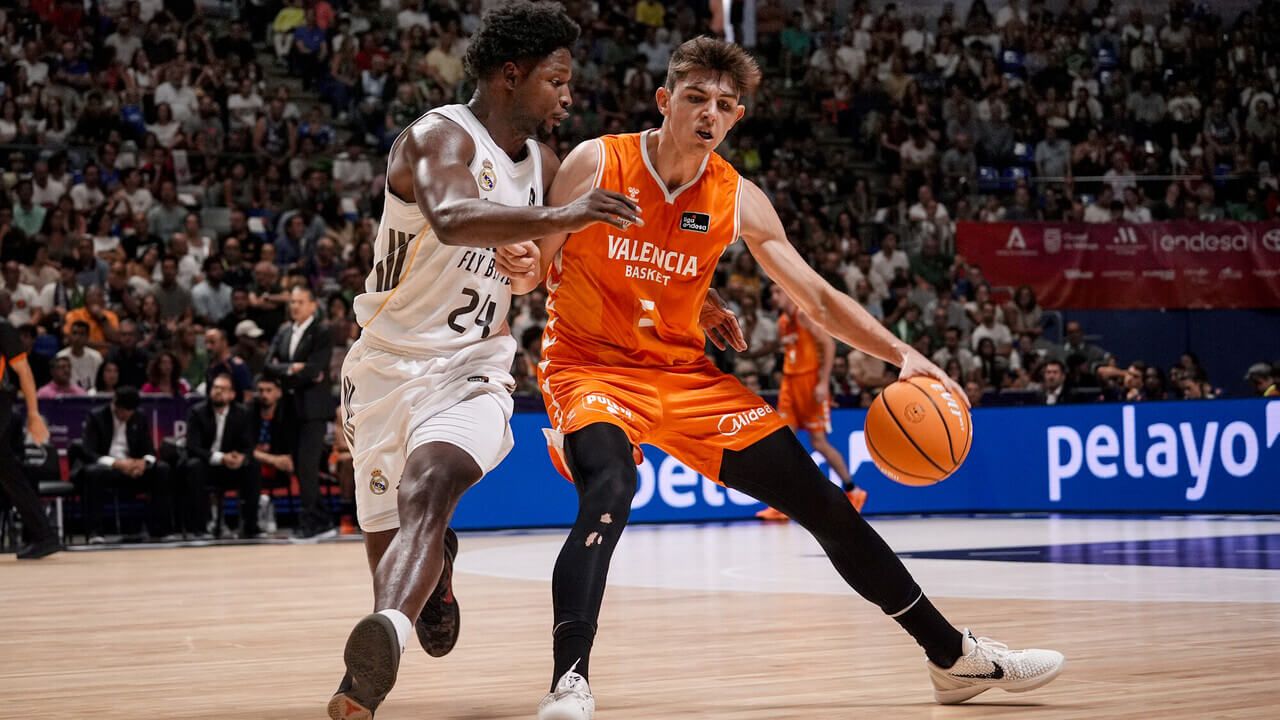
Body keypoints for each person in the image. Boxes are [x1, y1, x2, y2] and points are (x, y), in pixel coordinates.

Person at [515, 38, 1064, 719]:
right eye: (694, 98)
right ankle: (570, 679)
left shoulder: (737, 198)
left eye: (723, 104)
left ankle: (952, 657)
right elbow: (537, 263)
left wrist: (901, 354)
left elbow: (817, 298)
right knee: (612, 486)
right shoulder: (597, 160)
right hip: (589, 365)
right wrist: (516, 260)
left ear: (736, 117)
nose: (708, 114)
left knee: (826, 505)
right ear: (664, 102)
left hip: (685, 377)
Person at [327, 4, 703, 717]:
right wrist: (558, 219)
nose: (568, 95)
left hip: (474, 367)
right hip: (383, 369)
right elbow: (452, 216)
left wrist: (685, 299)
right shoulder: (440, 137)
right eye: (556, 80)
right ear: (511, 74)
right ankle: (431, 584)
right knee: (397, 534)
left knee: (430, 486)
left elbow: (577, 265)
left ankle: (374, 665)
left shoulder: (545, 166)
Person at [756, 283, 866, 521]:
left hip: (810, 383)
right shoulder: (783, 322)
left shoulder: (803, 314)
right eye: (772, 292)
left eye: (777, 291)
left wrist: (823, 383)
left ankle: (853, 490)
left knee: (818, 442)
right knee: (782, 443)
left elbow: (828, 345)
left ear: (788, 291)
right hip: (789, 384)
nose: (774, 296)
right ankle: (782, 504)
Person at [266, 285, 335, 540]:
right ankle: (322, 518)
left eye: (300, 301)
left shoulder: (322, 331)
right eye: (292, 302)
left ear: (312, 305)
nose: (294, 306)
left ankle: (311, 522)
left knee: (307, 466)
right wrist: (292, 369)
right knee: (298, 466)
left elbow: (316, 368)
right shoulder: (284, 331)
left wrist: (291, 371)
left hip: (314, 409)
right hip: (290, 407)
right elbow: (267, 365)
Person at [74, 386, 174, 543]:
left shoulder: (139, 418)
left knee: (162, 469)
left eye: (130, 411)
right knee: (92, 473)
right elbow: (88, 452)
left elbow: (149, 451)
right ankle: (96, 532)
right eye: (123, 411)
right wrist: (117, 464)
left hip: (133, 467)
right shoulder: (96, 417)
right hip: (107, 467)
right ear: (115, 404)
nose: (126, 415)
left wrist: (143, 463)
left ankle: (161, 530)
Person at [0, 318, 61, 558]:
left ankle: (44, 534)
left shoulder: (3, 329)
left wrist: (34, 413)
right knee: (8, 473)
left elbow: (24, 371)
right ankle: (44, 535)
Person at [184, 372, 258, 539]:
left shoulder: (242, 413)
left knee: (252, 466)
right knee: (194, 466)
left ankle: (250, 526)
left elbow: (248, 445)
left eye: (223, 389)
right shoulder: (197, 412)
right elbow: (193, 447)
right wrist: (220, 457)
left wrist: (241, 457)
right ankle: (199, 529)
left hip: (230, 467)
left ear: (232, 395)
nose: (217, 392)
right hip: (206, 465)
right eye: (215, 388)